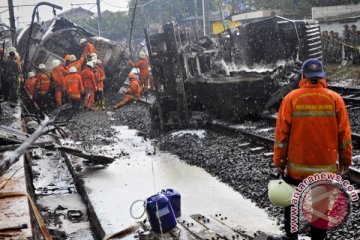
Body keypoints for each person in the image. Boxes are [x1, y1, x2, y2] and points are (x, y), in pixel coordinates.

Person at [272, 59, 352, 240]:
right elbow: (344, 137)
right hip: (325, 169)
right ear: (322, 76)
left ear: (303, 76)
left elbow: (281, 137)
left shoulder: (291, 99)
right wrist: (346, 161)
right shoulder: (335, 99)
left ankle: (292, 235)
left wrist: (279, 162)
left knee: (291, 202)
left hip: (296, 168)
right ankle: (318, 238)